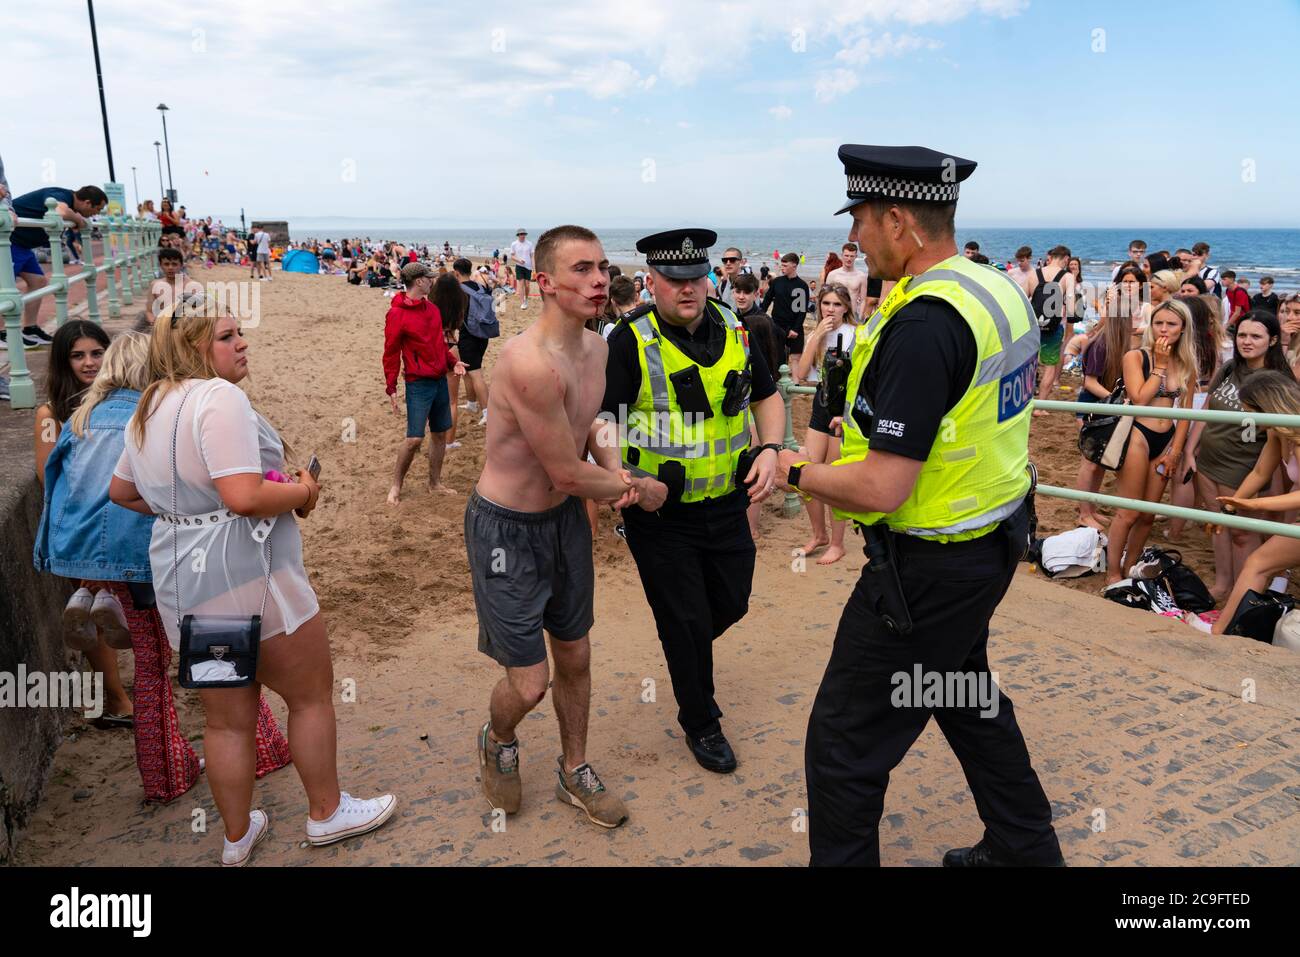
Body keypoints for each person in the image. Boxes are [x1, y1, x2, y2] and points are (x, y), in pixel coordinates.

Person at [777, 144, 1061, 867]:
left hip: (928, 566)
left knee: (844, 747)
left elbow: (880, 488)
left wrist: (792, 470)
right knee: (965, 697)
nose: (853, 239)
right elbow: (965, 412)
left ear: (899, 220)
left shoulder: (926, 322)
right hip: (995, 534)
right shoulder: (991, 287)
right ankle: (1024, 850)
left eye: (861, 221)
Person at [109, 296, 396, 865]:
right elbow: (243, 497)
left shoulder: (149, 403)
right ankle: (326, 813)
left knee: (226, 720)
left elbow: (122, 493)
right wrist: (302, 493)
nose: (242, 343)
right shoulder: (219, 397)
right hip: (252, 573)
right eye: (227, 336)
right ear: (194, 347)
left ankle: (236, 837)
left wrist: (183, 513)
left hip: (186, 583)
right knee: (310, 697)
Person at [34, 331, 292, 800]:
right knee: (219, 647)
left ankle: (164, 777)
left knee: (150, 668)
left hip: (91, 555)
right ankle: (265, 750)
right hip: (151, 556)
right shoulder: (149, 418)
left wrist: (65, 556)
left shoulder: (78, 420)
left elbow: (53, 484)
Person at [467, 225, 648, 829]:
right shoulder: (527, 364)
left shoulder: (597, 349)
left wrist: (617, 465)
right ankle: (498, 738)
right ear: (544, 283)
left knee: (575, 654)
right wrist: (636, 488)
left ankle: (575, 770)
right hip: (507, 530)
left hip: (565, 523)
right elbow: (566, 472)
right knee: (528, 684)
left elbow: (590, 427)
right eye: (582, 270)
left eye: (602, 267)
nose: (600, 280)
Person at [605, 228, 786, 773]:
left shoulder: (735, 326)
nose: (688, 289)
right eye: (674, 280)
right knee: (683, 618)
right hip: (660, 514)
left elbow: (767, 394)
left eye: (696, 277)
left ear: (708, 277)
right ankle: (701, 720)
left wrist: (773, 448)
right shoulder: (628, 340)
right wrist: (624, 477)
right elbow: (600, 421)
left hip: (729, 502)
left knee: (731, 602)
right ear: (652, 283)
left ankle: (684, 645)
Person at [1185, 310, 1292, 599]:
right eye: (1242, 334)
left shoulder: (1277, 379)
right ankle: (1223, 584)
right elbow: (1207, 408)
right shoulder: (1230, 367)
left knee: (1243, 533)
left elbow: (1281, 435)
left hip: (1246, 464)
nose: (1246, 341)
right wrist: (1189, 448)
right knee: (1217, 524)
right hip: (1209, 458)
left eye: (1255, 336)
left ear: (1272, 341)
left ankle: (1243, 594)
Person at [1103, 299, 1197, 586]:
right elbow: (1140, 400)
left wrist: (1176, 451)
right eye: (1159, 323)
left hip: (1166, 440)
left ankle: (1130, 566)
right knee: (1127, 511)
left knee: (1147, 515)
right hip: (1138, 435)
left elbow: (1186, 413)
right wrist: (1160, 366)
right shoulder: (1135, 356)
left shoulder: (1188, 364)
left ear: (1183, 329)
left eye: (1171, 324)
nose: (1164, 330)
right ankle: (1112, 573)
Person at [1212, 370, 1300, 634]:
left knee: (1258, 563)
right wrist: (1229, 507)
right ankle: (1222, 631)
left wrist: (1256, 505)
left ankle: (1220, 632)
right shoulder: (1277, 432)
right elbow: (1260, 473)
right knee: (1258, 563)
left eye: (1253, 411)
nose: (1252, 419)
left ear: (1270, 406)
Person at [383, 262, 466, 503]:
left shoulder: (432, 310)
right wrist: (391, 387)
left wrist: (453, 363)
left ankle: (435, 483)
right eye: (429, 278)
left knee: (440, 434)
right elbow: (391, 352)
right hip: (418, 383)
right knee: (414, 439)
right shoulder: (397, 314)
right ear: (419, 281)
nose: (432, 281)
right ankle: (396, 485)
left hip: (439, 378)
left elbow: (438, 344)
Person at [794, 283, 858, 564]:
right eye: (826, 304)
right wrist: (816, 335)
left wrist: (845, 414)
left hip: (843, 406)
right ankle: (818, 534)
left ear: (846, 307)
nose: (830, 309)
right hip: (821, 401)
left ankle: (837, 542)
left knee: (833, 479)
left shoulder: (856, 335)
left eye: (836, 304)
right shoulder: (818, 334)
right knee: (805, 473)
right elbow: (800, 375)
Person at [5, 185, 107, 348]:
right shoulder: (61, 195)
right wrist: (78, 219)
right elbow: (60, 211)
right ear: (87, 203)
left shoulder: (69, 201)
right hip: (9, 242)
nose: (96, 214)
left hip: (22, 245)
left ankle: (30, 329)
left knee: (38, 282)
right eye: (98, 209)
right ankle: (3, 333)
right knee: (6, 288)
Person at [1027, 245, 1076, 416]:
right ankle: (1040, 407)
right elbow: (1071, 307)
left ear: (1051, 257)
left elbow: (1024, 298)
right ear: (1066, 259)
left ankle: (1025, 400)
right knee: (1049, 366)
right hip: (1053, 327)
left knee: (1029, 363)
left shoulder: (1034, 274)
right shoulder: (1067, 276)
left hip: (1032, 326)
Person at [453, 257, 496, 427]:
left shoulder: (458, 291)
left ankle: (488, 412)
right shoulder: (480, 286)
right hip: (483, 333)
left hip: (468, 335)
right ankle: (472, 403)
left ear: (456, 272)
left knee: (476, 373)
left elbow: (455, 315)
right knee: (469, 369)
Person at [762, 251, 811, 368]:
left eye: (785, 265)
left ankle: (796, 384)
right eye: (781, 265)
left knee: (795, 359)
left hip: (795, 327)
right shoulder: (777, 282)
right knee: (777, 357)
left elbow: (802, 310)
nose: (781, 268)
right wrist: (760, 315)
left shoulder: (802, 285)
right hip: (777, 325)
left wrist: (795, 329)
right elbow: (767, 300)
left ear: (794, 266)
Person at [146, 247, 204, 326]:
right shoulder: (155, 285)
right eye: (166, 264)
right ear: (161, 265)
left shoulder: (192, 286)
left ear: (181, 265)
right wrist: (154, 324)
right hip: (162, 326)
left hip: (186, 327)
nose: (170, 268)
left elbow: (201, 312)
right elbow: (149, 311)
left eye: (174, 264)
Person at [825, 241, 869, 319]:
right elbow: (825, 296)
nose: (849, 259)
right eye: (846, 255)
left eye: (852, 256)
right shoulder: (833, 275)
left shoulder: (862, 276)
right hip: (835, 314)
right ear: (842, 256)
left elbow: (863, 300)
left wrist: (860, 316)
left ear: (856, 256)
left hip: (853, 314)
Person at [508, 228, 534, 309]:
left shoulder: (529, 244)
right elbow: (512, 256)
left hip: (528, 266)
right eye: (521, 234)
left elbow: (532, 256)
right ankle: (522, 303)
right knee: (521, 284)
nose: (522, 235)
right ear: (518, 235)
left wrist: (534, 266)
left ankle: (526, 298)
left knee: (527, 285)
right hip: (519, 266)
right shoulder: (514, 244)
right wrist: (519, 260)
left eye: (524, 234)